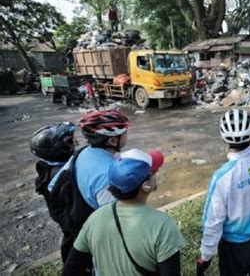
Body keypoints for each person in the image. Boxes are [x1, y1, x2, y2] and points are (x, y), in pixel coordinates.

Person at [62, 148, 186, 276]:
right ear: (145, 185)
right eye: (153, 171)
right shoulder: (163, 226)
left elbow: (70, 269)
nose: (157, 172)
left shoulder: (95, 218)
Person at [197, 109, 250, 276]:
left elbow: (213, 221)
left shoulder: (222, 177)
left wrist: (206, 255)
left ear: (223, 139)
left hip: (235, 247)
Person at [48, 110, 130, 259]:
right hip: (94, 236)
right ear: (112, 141)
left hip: (74, 220)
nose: (127, 135)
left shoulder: (82, 152)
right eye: (125, 132)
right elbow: (115, 224)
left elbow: (53, 185)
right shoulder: (109, 174)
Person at [30, 122, 77, 262]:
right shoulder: (61, 174)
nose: (74, 143)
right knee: (74, 246)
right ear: (58, 149)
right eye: (69, 141)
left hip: (63, 217)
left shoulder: (48, 165)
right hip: (69, 219)